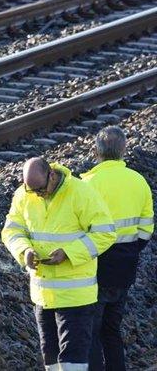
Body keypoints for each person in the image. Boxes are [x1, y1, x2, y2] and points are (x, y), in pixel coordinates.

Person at [2, 157, 117, 370]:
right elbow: (11, 231)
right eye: (32, 190)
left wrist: (69, 253)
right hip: (43, 295)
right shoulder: (23, 195)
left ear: (52, 175)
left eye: (40, 189)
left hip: (76, 296)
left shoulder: (81, 193)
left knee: (72, 362)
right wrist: (24, 251)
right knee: (52, 361)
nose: (37, 194)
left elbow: (106, 233)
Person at [81, 127, 154, 371]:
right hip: (125, 266)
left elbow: (77, 228)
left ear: (97, 152)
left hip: (96, 267)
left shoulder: (87, 183)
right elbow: (146, 230)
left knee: (91, 331)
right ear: (123, 150)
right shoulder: (138, 181)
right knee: (112, 330)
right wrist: (130, 250)